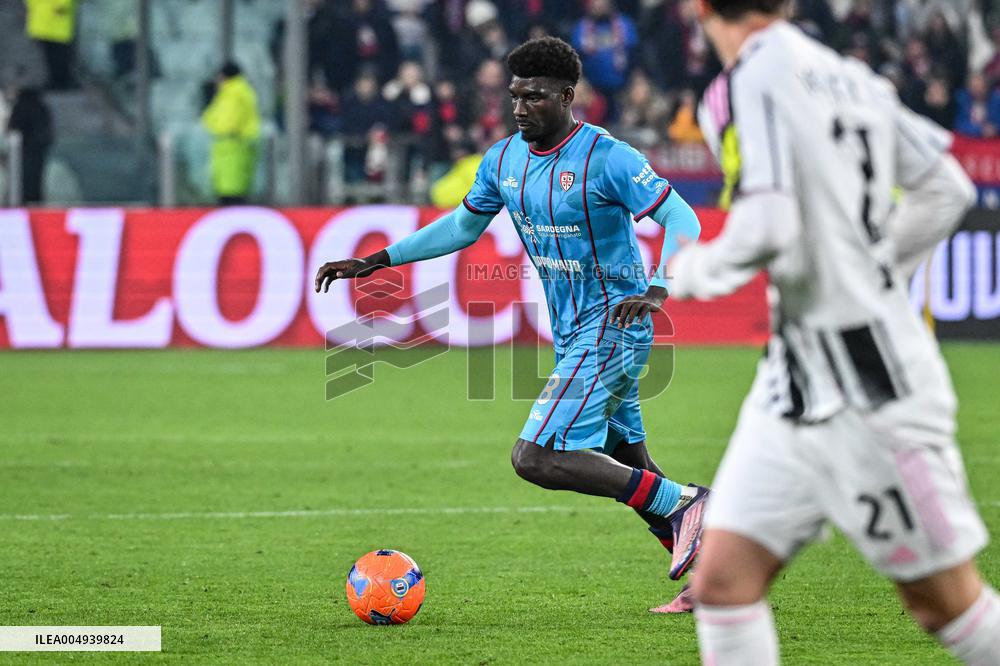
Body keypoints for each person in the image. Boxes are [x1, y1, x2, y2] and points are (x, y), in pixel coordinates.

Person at [316, 36, 709, 614]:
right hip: (575, 334)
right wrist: (379, 260)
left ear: (568, 96)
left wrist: (657, 287)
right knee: (630, 463)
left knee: (537, 457)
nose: (521, 108)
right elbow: (460, 228)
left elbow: (683, 217)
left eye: (536, 98)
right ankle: (715, 577)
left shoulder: (608, 157)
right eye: (516, 96)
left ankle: (692, 501)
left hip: (616, 325)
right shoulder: (503, 160)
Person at [663, 1, 999, 663]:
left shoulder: (749, 78)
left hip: (870, 389)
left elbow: (768, 225)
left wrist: (689, 271)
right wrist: (875, 269)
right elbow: (947, 187)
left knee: (945, 602)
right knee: (725, 582)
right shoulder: (851, 76)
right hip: (793, 384)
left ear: (699, 8)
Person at [200, 62, 261, 206]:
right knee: (232, 193)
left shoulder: (234, 94)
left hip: (233, 148)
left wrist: (215, 125)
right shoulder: (238, 92)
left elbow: (225, 124)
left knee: (231, 197)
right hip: (231, 150)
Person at [6, 86, 53, 204]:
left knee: (27, 179)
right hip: (29, 150)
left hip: (27, 151)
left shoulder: (23, 107)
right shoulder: (41, 107)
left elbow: (12, 127)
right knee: (32, 179)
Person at [24, 0, 77, 90]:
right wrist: (62, 4)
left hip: (40, 17)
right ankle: (60, 81)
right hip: (58, 19)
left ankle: (54, 81)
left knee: (49, 54)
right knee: (59, 54)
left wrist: (31, 6)